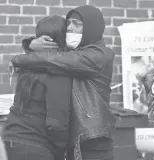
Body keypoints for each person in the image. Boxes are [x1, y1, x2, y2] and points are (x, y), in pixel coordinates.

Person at [11, 5, 116, 160]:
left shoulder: (99, 56)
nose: (70, 28)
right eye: (68, 24)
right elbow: (54, 50)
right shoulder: (74, 52)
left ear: (91, 28)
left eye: (77, 24)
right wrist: (31, 44)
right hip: (76, 141)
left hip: (93, 140)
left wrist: (17, 59)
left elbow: (51, 59)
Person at [2, 15, 71, 160]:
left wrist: (30, 45)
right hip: (36, 147)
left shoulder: (27, 66)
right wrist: (62, 151)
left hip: (10, 140)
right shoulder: (58, 72)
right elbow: (57, 124)